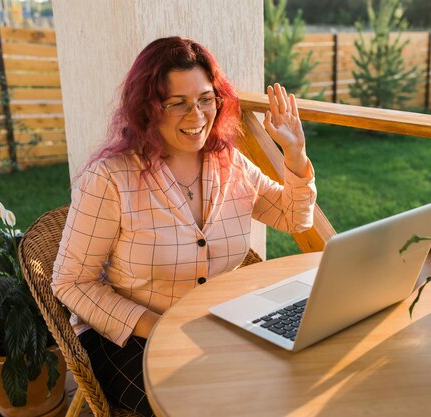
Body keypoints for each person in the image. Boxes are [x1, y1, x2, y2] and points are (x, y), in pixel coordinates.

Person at [52, 37, 316, 417]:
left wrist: (295, 154)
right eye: (177, 103)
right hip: (131, 336)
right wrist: (161, 328)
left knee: (285, 386)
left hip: (215, 326)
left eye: (205, 99)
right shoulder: (109, 179)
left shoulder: (231, 164)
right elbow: (71, 282)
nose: (196, 117)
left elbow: (294, 216)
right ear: (148, 108)